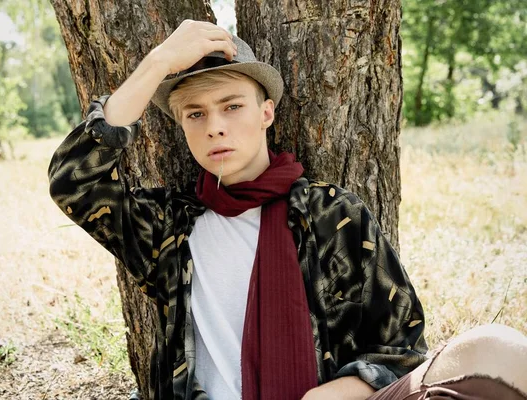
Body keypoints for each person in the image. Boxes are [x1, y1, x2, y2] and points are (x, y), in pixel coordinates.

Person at [49, 20, 527, 400]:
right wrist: (157, 63)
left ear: (266, 113)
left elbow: (402, 344)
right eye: (195, 113)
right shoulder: (168, 229)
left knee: (498, 351)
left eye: (232, 106)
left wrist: (339, 391)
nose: (215, 126)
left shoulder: (333, 214)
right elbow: (75, 182)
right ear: (182, 127)